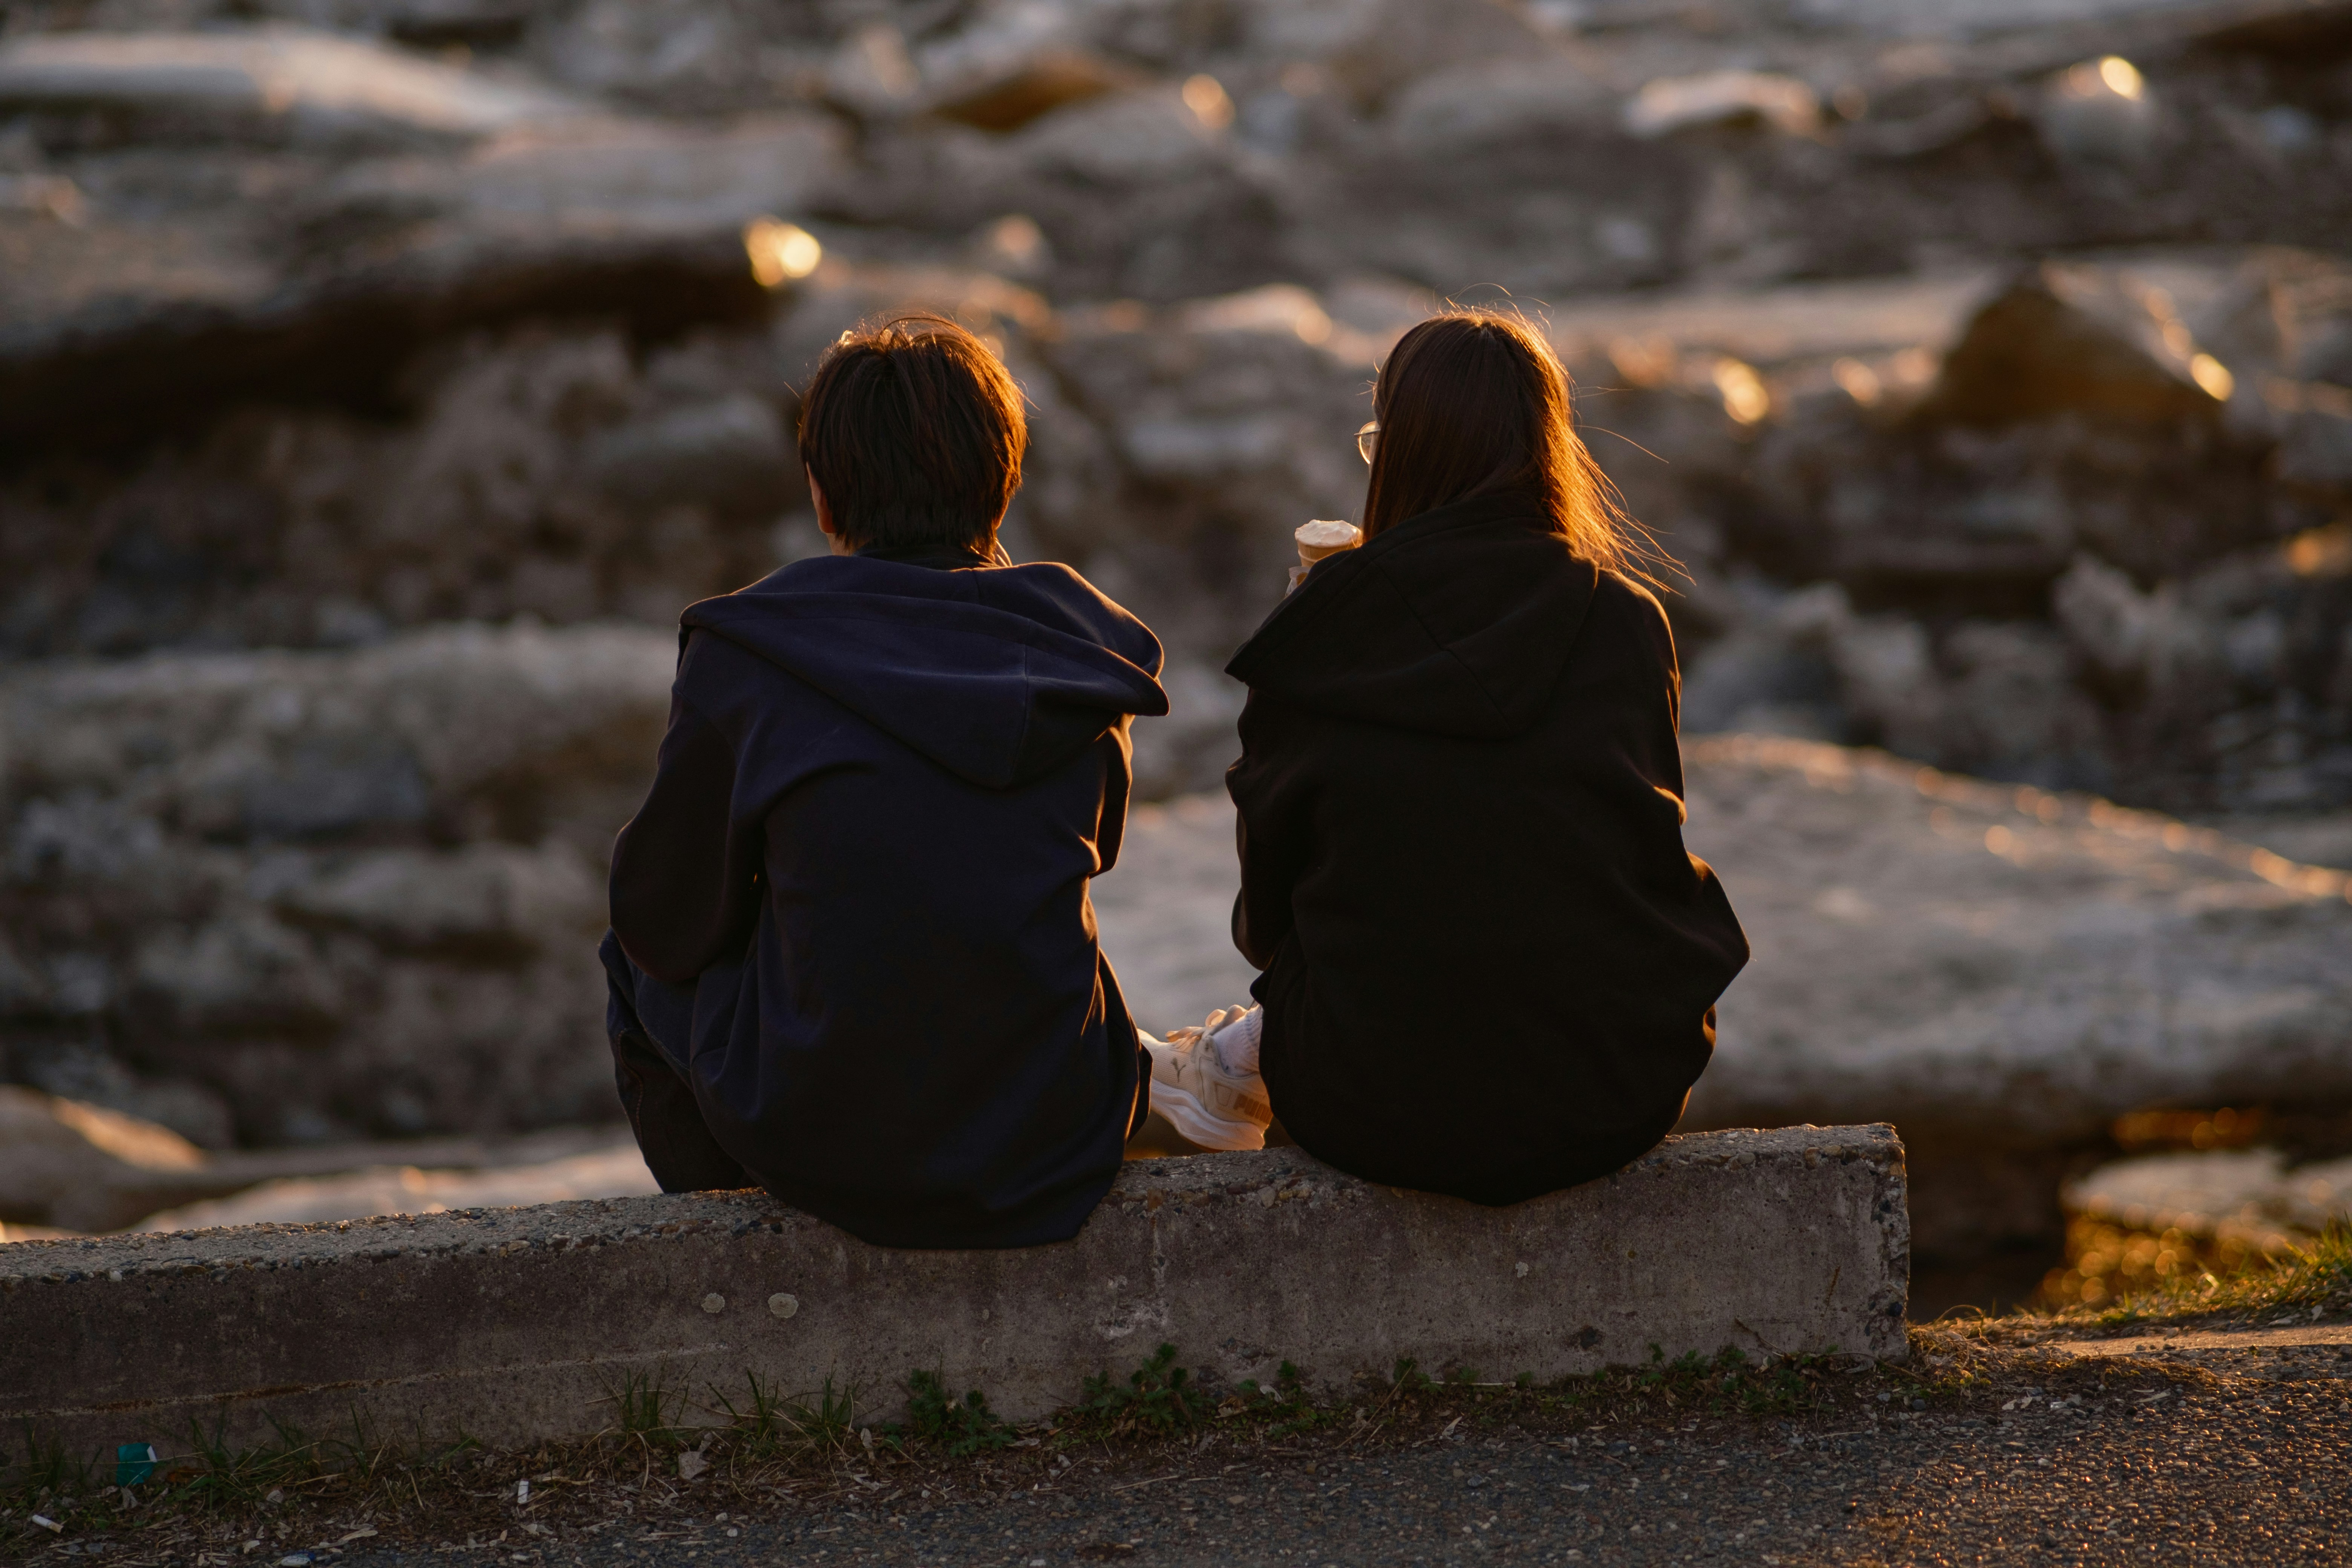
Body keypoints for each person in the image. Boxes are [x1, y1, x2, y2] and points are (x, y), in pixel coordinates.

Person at [600, 313, 1170, 1249]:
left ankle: (726, 1239)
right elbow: (1081, 852)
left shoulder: (751, 649)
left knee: (632, 959)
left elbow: (663, 916)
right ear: (1005, 482)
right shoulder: (1083, 655)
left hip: (827, 1141)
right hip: (1057, 1128)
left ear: (825, 497)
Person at [1157, 306, 1751, 1203]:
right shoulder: (1626, 619)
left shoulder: (1324, 629)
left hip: (1368, 1109)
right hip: (1608, 1095)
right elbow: (1639, 857)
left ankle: (1228, 1060)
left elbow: (1266, 924)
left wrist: (1318, 633)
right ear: (1550, 447)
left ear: (1400, 452)